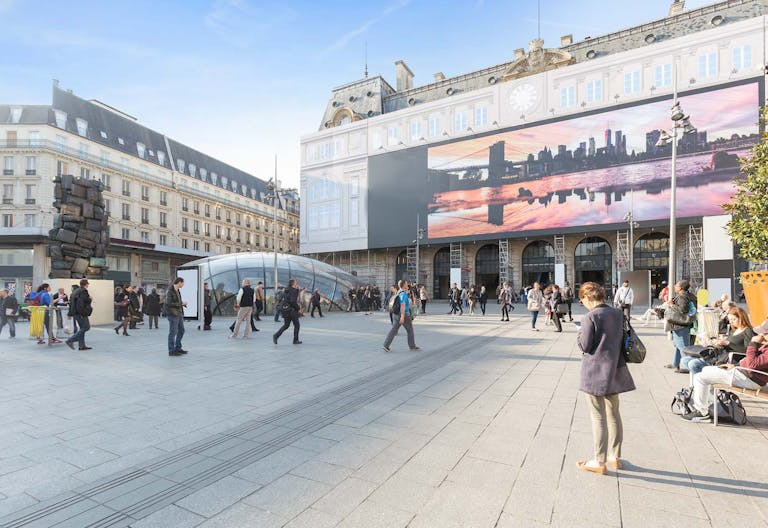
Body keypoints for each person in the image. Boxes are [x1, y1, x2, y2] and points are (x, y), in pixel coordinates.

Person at [576, 282, 635, 474]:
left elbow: (585, 346)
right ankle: (614, 456)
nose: (582, 302)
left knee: (598, 416)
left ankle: (599, 461)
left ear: (589, 297)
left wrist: (579, 331)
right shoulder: (618, 314)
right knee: (614, 413)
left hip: (595, 371)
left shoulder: (590, 317)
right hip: (615, 369)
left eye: (582, 299)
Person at [683, 329, 768, 422]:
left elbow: (752, 364)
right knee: (705, 370)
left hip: (749, 379)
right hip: (743, 374)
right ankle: (712, 409)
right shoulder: (765, 346)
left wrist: (753, 343)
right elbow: (751, 363)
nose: (761, 335)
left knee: (700, 378)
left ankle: (701, 412)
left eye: (764, 333)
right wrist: (734, 366)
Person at [680, 306, 754, 382]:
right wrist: (717, 343)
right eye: (730, 320)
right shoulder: (734, 330)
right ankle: (705, 381)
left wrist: (728, 343)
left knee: (693, 364)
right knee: (684, 360)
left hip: (727, 360)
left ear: (741, 317)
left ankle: (704, 383)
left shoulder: (748, 331)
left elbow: (748, 351)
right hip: (718, 356)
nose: (731, 322)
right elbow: (727, 345)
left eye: (733, 319)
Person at [665, 280, 697, 372]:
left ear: (680, 288)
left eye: (676, 285)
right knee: (678, 345)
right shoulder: (690, 295)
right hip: (684, 324)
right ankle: (675, 363)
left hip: (680, 324)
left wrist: (671, 305)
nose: (674, 286)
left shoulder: (682, 296)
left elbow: (682, 310)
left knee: (683, 346)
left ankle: (686, 366)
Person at [383, 279, 419, 352]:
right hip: (404, 315)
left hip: (396, 314)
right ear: (403, 285)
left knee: (393, 330)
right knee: (410, 330)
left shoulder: (398, 292)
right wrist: (402, 316)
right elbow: (402, 305)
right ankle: (412, 346)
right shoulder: (403, 294)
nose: (407, 284)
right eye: (406, 283)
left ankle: (386, 345)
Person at [65, 279, 93, 350]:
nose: (88, 285)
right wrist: (90, 299)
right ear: (86, 284)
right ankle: (70, 340)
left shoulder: (75, 291)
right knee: (86, 327)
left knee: (82, 328)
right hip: (81, 313)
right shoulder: (83, 291)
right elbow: (83, 302)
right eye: (87, 284)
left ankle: (81, 345)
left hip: (76, 312)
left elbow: (71, 303)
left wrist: (70, 313)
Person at [273, 279, 302, 345]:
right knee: (297, 325)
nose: (297, 284)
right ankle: (295, 340)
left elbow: (284, 299)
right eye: (296, 283)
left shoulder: (286, 290)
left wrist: (297, 291)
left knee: (286, 325)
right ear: (293, 283)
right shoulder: (294, 290)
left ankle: (276, 336)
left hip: (285, 310)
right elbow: (293, 301)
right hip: (292, 310)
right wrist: (298, 308)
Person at [166, 277, 188, 356]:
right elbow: (168, 303)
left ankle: (178, 347)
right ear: (179, 282)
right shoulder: (170, 291)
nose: (183, 284)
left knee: (181, 330)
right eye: (183, 283)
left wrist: (182, 304)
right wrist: (181, 304)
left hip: (178, 313)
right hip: (172, 314)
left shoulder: (177, 290)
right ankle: (171, 351)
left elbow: (177, 301)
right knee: (173, 332)